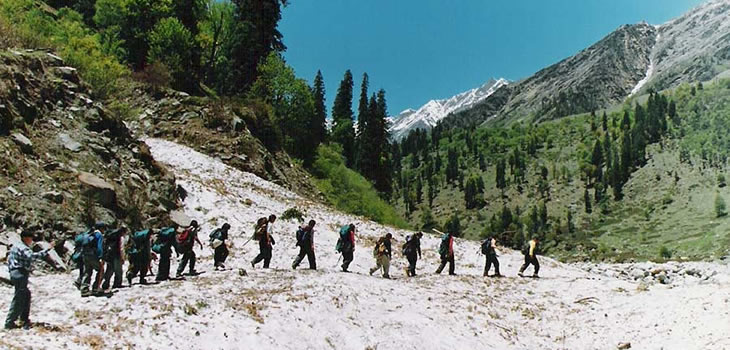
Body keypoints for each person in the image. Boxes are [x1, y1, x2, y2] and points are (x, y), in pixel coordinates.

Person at [5, 230, 52, 330]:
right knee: (19, 298)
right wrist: (46, 250)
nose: (32, 240)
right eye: (31, 238)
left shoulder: (16, 246)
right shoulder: (22, 247)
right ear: (26, 238)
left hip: (15, 273)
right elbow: (31, 256)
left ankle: (24, 319)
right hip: (20, 273)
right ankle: (9, 322)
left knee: (26, 295)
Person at [81, 222, 105, 297]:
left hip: (85, 255)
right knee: (100, 270)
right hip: (93, 256)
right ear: (101, 228)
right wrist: (101, 257)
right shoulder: (99, 235)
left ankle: (84, 289)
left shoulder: (89, 234)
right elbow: (99, 246)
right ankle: (95, 288)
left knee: (87, 271)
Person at [101, 227, 127, 292]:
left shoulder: (111, 237)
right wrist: (123, 257)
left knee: (109, 270)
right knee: (118, 270)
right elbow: (121, 248)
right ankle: (117, 284)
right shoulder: (120, 238)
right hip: (117, 255)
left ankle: (105, 284)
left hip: (109, 255)